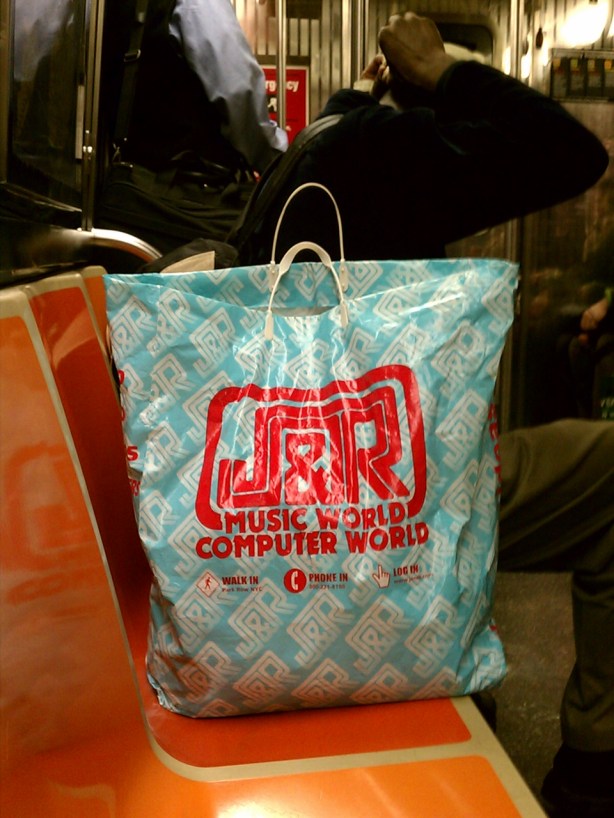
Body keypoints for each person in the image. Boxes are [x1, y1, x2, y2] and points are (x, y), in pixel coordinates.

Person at [241, 12, 613, 818]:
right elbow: (572, 152)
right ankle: (598, 761)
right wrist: (446, 72)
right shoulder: (383, 151)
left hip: (285, 489)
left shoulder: (314, 148)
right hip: (377, 504)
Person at [101, 0, 288, 176]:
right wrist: (277, 161)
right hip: (193, 184)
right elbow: (238, 91)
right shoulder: (199, 4)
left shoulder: (100, 9)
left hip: (127, 180)